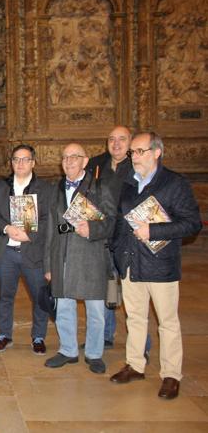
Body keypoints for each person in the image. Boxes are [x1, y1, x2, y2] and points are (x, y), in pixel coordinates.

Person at [110, 132, 202, 400]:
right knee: (135, 318)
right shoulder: (126, 182)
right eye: (133, 153)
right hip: (130, 262)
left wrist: (155, 230)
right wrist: (116, 249)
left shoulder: (174, 183)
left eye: (139, 152)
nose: (134, 157)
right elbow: (119, 220)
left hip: (160, 264)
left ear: (156, 152)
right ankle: (135, 365)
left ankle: (171, 375)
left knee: (167, 322)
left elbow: (192, 223)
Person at [44, 143, 117, 374]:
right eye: (65, 157)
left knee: (95, 310)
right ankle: (68, 350)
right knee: (64, 307)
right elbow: (50, 230)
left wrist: (92, 229)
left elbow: (112, 221)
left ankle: (94, 354)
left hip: (90, 257)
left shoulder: (99, 186)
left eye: (74, 157)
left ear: (85, 161)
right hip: (62, 256)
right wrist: (48, 264)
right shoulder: (56, 188)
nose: (69, 161)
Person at [86, 126, 152, 357]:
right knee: (106, 289)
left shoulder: (138, 165)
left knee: (135, 296)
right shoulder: (95, 164)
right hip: (101, 238)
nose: (116, 144)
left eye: (122, 140)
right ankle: (105, 336)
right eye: (111, 139)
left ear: (131, 142)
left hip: (128, 239)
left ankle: (142, 345)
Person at [0, 144, 51, 355]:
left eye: (25, 159)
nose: (20, 163)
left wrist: (29, 234)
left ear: (33, 162)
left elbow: (48, 219)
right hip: (7, 251)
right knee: (5, 296)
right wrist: (6, 228)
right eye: (16, 159)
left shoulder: (44, 188)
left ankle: (38, 336)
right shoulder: (2, 187)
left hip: (32, 252)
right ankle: (4, 334)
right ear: (11, 163)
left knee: (39, 296)